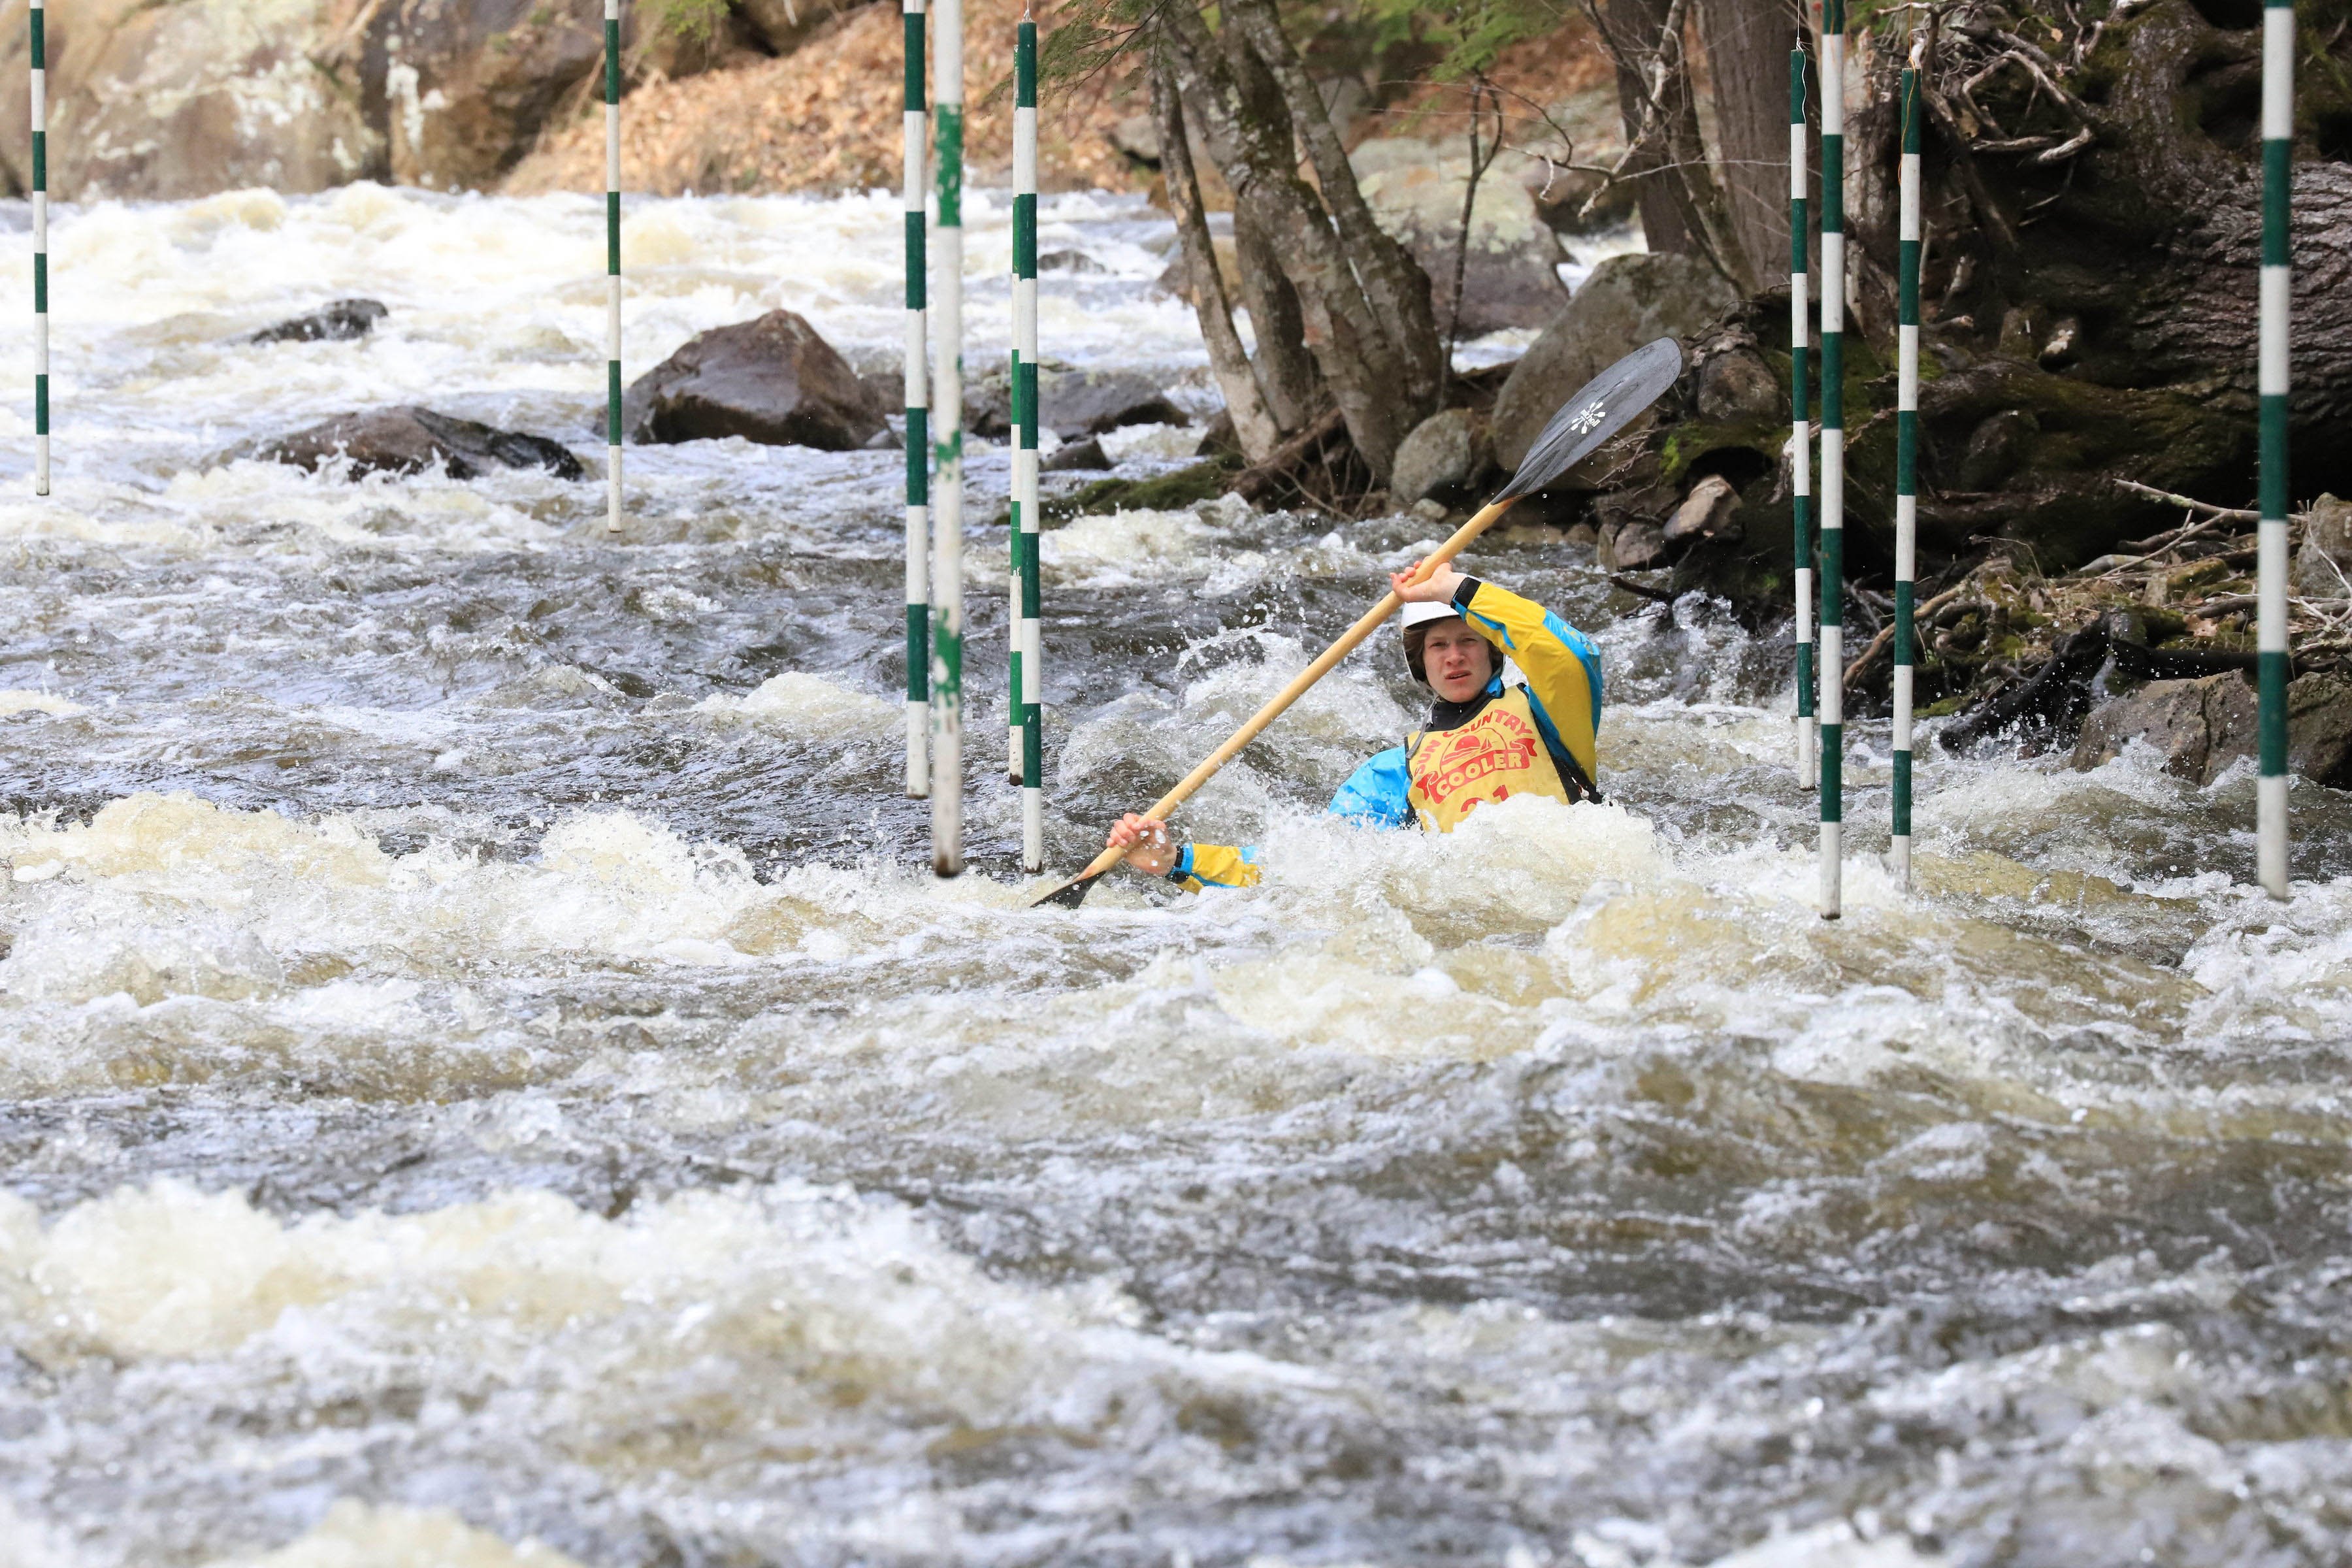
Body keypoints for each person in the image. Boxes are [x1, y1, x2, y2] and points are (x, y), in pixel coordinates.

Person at [1105, 560, 1603, 890]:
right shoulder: (1396, 771)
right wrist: (1178, 861)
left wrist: (1458, 590)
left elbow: (1568, 655)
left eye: (1467, 641)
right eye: (1437, 645)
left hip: (1578, 885)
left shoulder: (1547, 715)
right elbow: (1317, 867)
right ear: (1420, 662)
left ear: (1493, 648)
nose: (1454, 657)